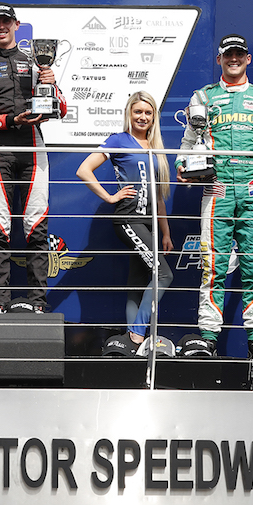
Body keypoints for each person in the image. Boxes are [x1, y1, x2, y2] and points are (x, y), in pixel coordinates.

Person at [176, 34, 253, 361]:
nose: (234, 59)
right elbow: (187, 145)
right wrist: (183, 164)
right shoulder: (203, 97)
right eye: (228, 55)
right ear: (220, 60)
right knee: (213, 266)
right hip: (217, 190)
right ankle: (208, 338)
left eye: (239, 54)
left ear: (248, 58)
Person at [0, 3, 67, 311]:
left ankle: (38, 305)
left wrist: (50, 84)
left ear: (16, 24)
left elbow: (61, 109)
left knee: (37, 227)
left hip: (34, 148)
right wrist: (10, 121)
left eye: (6, 21)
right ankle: (0, 305)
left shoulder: (36, 63)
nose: (1, 26)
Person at [76, 91, 174, 354]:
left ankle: (131, 346)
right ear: (129, 113)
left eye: (148, 113)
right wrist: (110, 197)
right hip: (129, 219)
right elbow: (84, 170)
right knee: (164, 274)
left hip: (149, 224)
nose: (143, 117)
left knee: (138, 282)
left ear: (154, 117)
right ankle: (137, 335)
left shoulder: (154, 147)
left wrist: (165, 233)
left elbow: (159, 197)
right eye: (138, 111)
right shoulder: (119, 140)